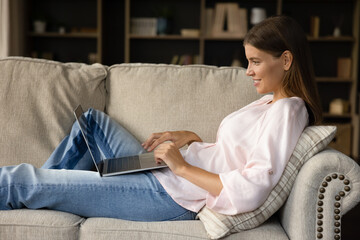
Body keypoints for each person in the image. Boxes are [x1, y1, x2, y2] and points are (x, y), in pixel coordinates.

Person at [0, 15, 322, 221]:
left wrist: (182, 166)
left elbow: (252, 187)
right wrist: (192, 138)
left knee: (19, 179)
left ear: (286, 60)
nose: (248, 71)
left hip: (170, 197)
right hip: (163, 173)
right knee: (92, 122)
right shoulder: (269, 102)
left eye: (255, 62)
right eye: (248, 61)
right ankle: (47, 192)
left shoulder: (288, 110)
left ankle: (40, 189)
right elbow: (234, 155)